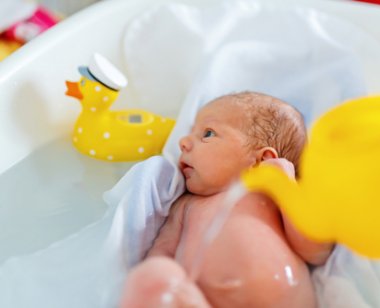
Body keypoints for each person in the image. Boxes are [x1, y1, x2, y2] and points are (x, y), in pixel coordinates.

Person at [120, 91, 333, 308]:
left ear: (263, 161)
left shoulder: (272, 194)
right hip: (201, 301)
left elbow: (317, 251)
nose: (183, 142)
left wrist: (285, 186)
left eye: (208, 133)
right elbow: (162, 251)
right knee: (154, 276)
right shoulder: (185, 205)